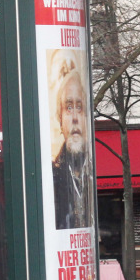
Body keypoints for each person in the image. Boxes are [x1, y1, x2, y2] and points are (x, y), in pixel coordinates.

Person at [51, 54, 91, 231]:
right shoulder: (52, 175)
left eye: (79, 107)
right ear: (60, 120)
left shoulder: (92, 168)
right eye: (68, 108)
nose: (74, 118)